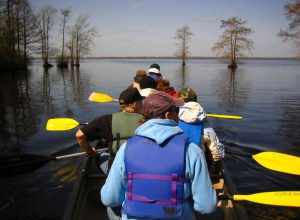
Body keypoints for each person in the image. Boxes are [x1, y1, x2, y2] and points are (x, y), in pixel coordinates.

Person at [101, 91, 217, 220]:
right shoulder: (192, 150)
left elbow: (109, 199)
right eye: (177, 110)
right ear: (168, 115)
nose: (179, 115)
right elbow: (206, 207)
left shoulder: (125, 148)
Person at [75, 87, 144, 173]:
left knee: (101, 155)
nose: (143, 104)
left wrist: (90, 152)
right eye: (141, 102)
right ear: (135, 104)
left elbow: (79, 135)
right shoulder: (148, 120)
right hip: (142, 170)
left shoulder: (106, 120)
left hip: (116, 172)